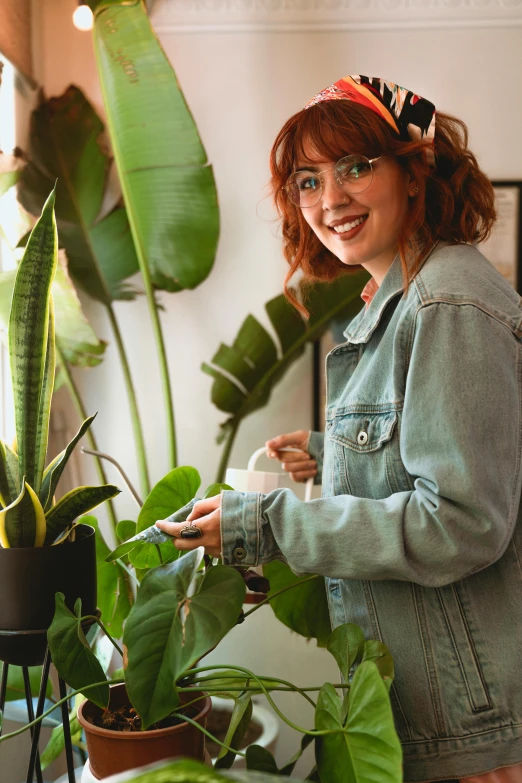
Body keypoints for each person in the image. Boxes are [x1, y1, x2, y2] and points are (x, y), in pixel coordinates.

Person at [156, 75, 522, 782]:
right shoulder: (407, 300)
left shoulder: (445, 300)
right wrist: (332, 451)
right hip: (440, 707)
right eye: (307, 181)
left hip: (474, 727)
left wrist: (269, 524)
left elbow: (463, 521)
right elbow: (446, 444)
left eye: (357, 167)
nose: (331, 199)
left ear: (412, 173)